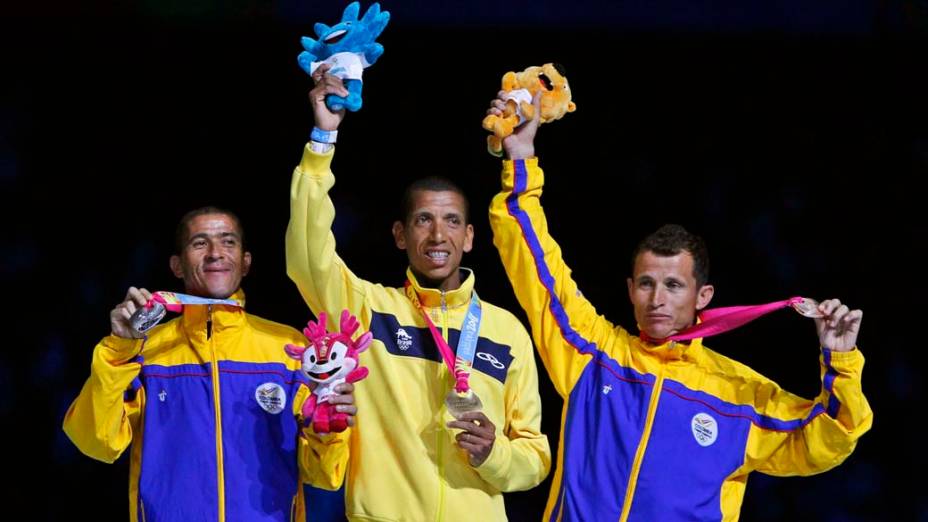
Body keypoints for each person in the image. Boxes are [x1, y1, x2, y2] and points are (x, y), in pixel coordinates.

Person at [486, 94, 873, 521]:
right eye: (647, 284)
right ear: (631, 290)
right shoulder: (592, 354)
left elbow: (827, 436)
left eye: (673, 285)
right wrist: (521, 158)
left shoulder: (738, 395)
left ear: (702, 297)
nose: (657, 299)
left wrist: (839, 362)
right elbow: (536, 266)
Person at [285, 65, 551, 521]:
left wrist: (496, 454)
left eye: (450, 222)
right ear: (400, 235)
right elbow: (308, 256)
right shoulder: (369, 311)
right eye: (423, 220)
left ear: (469, 237)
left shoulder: (506, 332)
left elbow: (536, 457)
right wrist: (321, 142)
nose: (437, 235)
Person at [63, 207, 355, 522]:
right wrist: (119, 348)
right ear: (177, 265)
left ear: (246, 262)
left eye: (228, 242)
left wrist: (330, 428)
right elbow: (97, 444)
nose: (215, 253)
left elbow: (325, 475)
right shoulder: (146, 351)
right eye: (199, 243)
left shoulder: (290, 350)